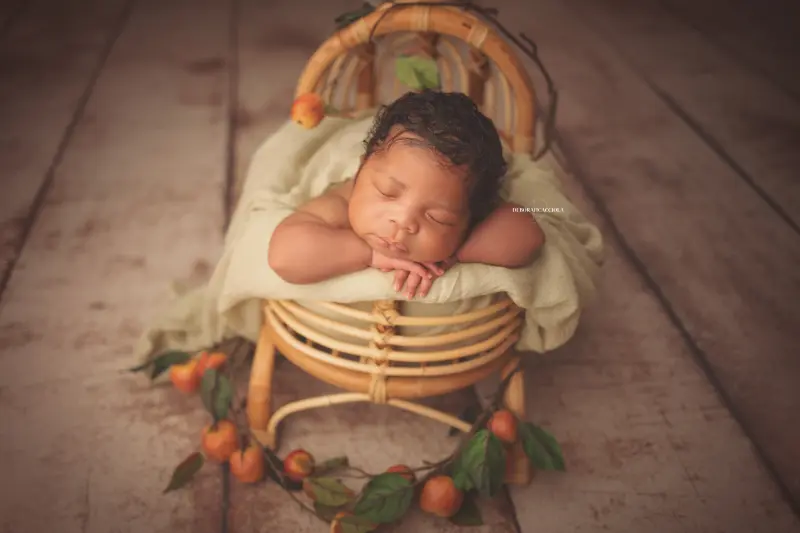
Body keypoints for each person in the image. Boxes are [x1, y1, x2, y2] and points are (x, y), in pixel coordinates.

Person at [268, 89, 545, 299]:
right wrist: (369, 254)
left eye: (438, 218)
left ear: (469, 219)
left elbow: (528, 236)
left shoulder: (465, 219)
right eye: (388, 193)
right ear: (363, 166)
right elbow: (284, 255)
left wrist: (454, 252)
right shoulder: (342, 202)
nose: (404, 223)